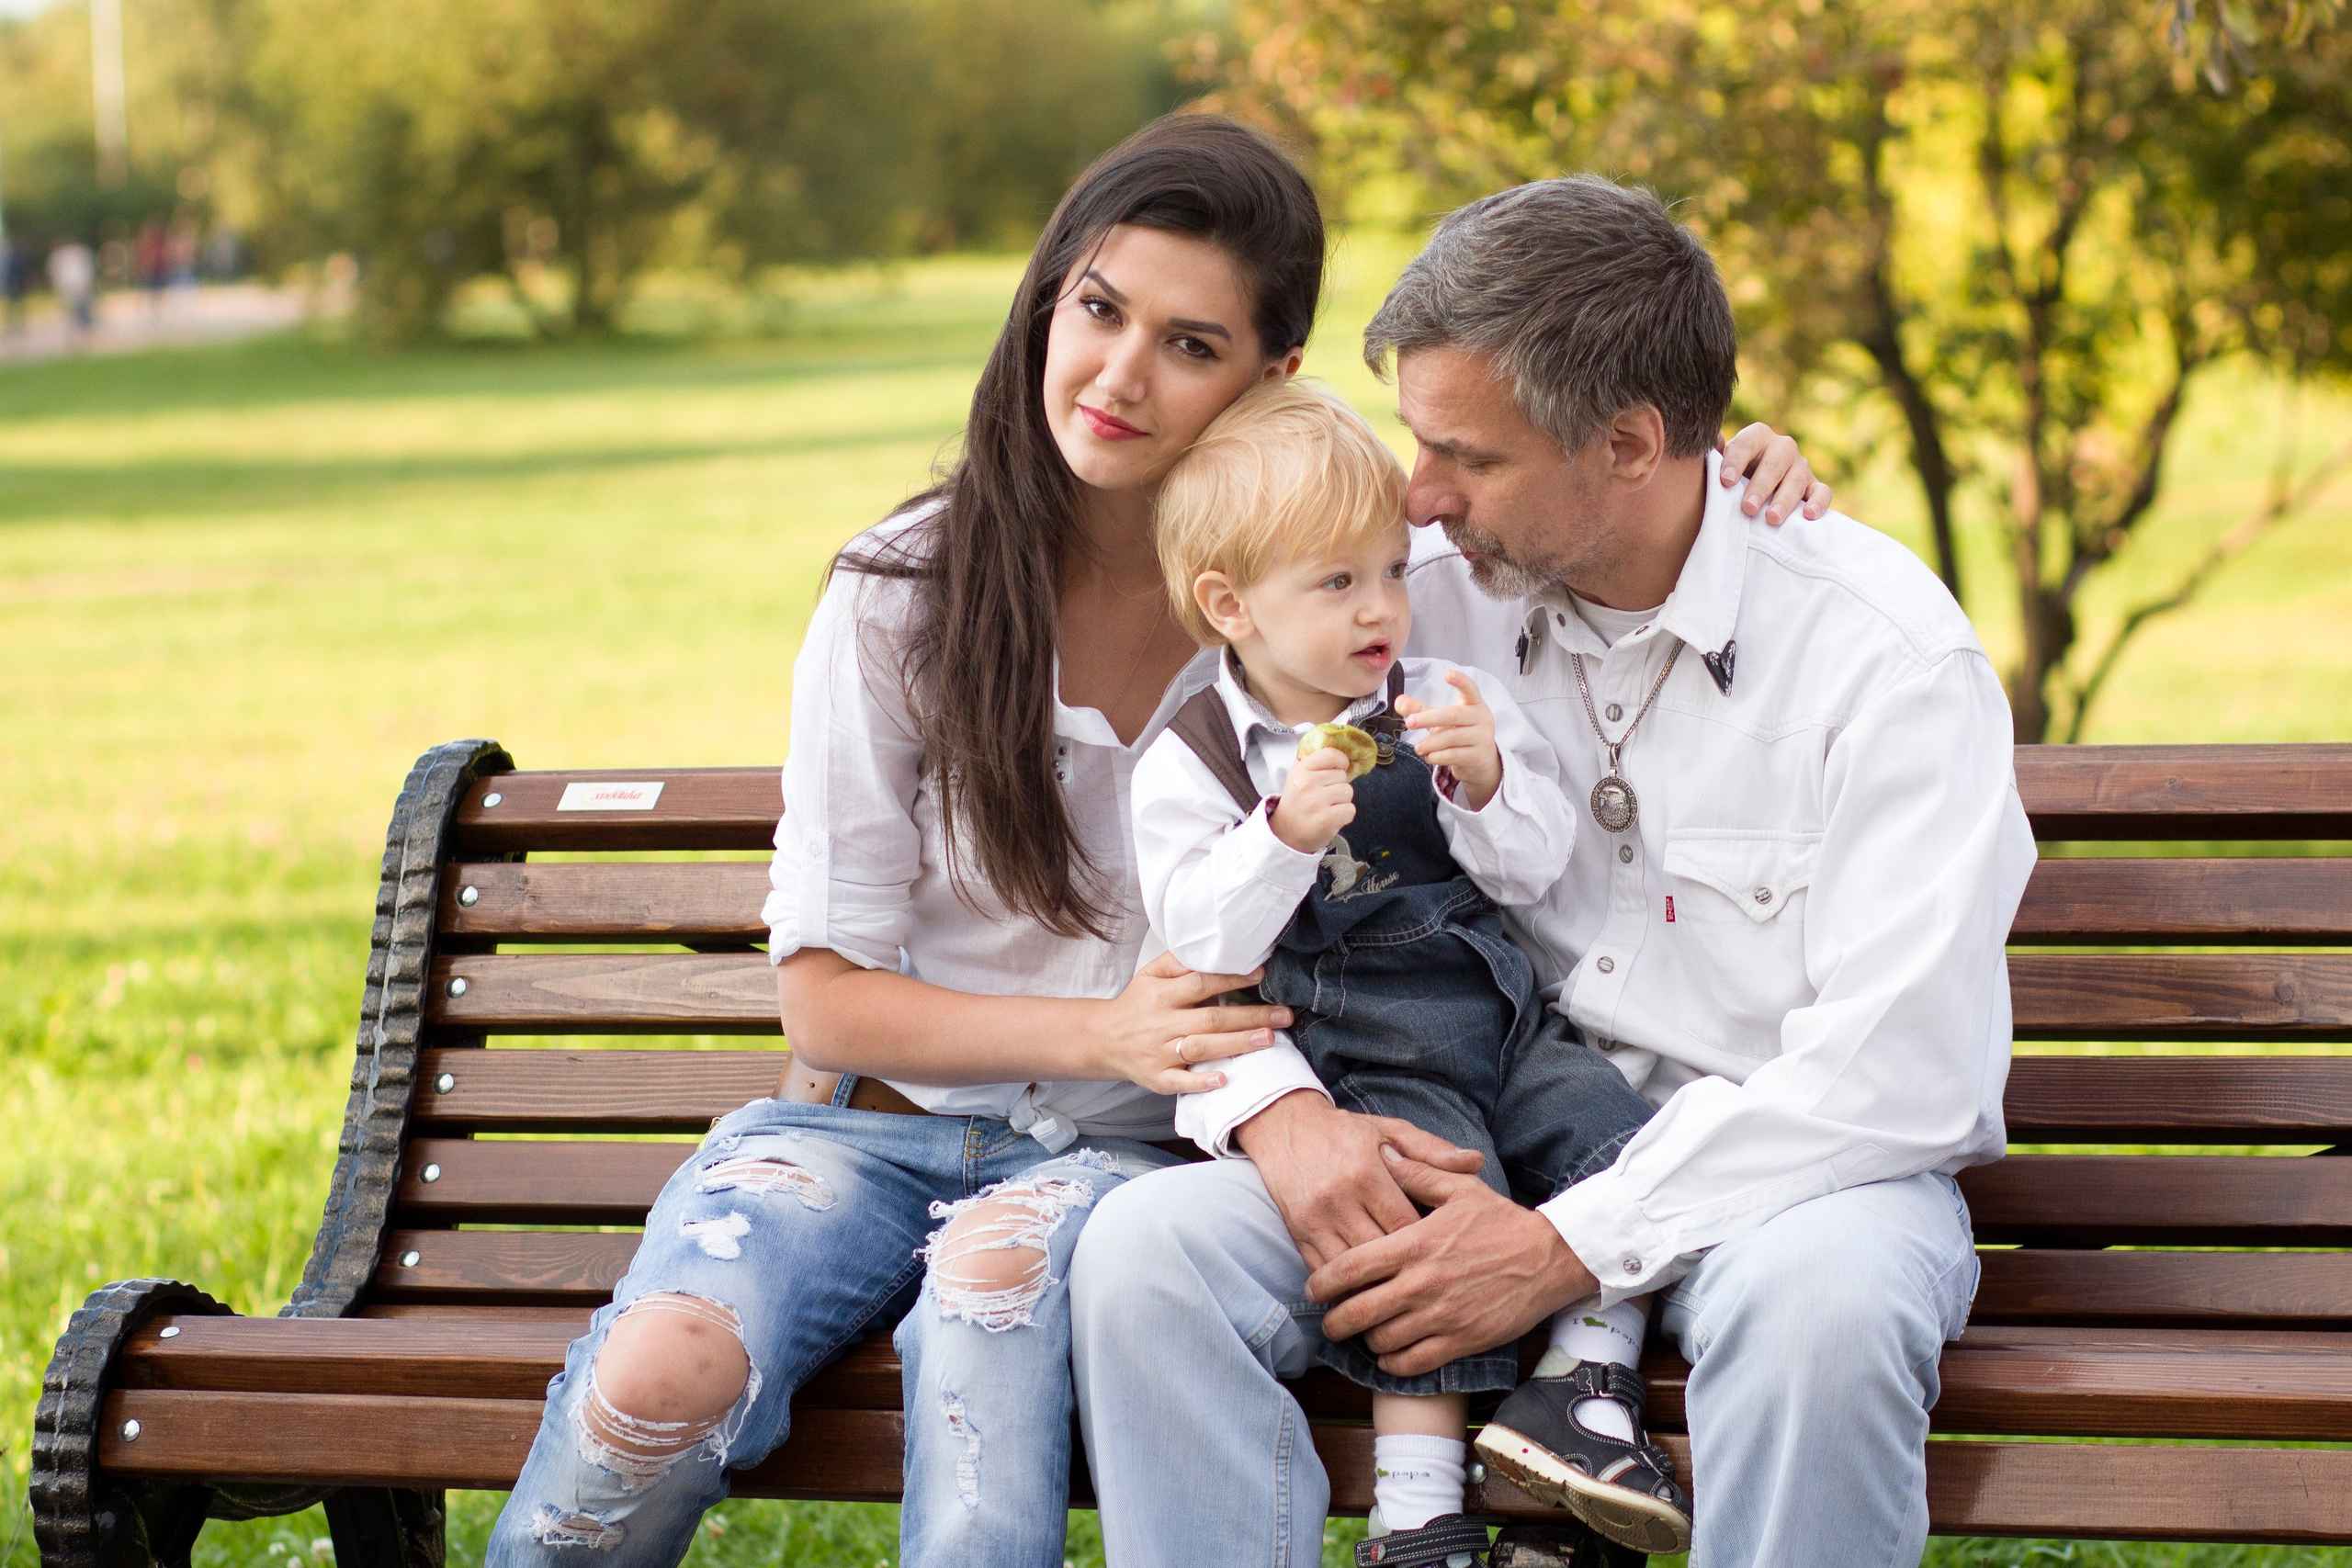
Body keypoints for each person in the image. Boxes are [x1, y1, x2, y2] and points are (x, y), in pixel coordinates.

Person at [486, 115, 1829, 1568]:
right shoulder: (903, 593)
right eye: (1097, 309)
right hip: (872, 1131)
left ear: (1273, 378)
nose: (1120, 376)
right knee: (654, 1380)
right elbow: (822, 996)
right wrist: (1106, 1034)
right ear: (1048, 297)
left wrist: (1732, 464)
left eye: (1191, 345)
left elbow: (1594, 500)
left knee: (994, 1313)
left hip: (1130, 1164)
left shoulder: (1365, 588)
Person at [1071, 175, 2036, 1568]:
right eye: (1416, 441)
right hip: (1447, 1117)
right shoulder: (1411, 596)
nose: (1419, 496)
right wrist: (1287, 1124)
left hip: (1791, 1173)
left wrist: (1564, 1244)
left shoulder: (1881, 660)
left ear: (1632, 444)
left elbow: (1902, 1074)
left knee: (1828, 1315)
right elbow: (1215, 877)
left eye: (1465, 452)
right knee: (1147, 1256)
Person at [1134, 379, 1687, 1564]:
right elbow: (1203, 945)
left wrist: (1488, 785)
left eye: (1390, 570)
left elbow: (1533, 871)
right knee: (1419, 1235)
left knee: (1619, 1140)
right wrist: (1278, 841)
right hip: (1369, 1047)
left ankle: (1585, 1395)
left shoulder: (1437, 699)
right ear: (1231, 606)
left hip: (1497, 1007)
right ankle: (1417, 1513)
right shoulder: (1197, 761)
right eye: (1337, 584)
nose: (1383, 607)